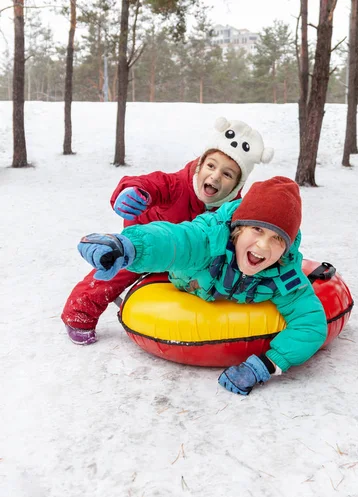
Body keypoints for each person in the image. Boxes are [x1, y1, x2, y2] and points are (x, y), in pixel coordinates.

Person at [77, 177, 328, 397]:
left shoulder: (285, 274)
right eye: (257, 229)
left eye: (277, 239)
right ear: (238, 229)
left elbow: (310, 323)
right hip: (184, 278)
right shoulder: (209, 241)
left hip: (222, 292)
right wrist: (129, 247)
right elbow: (175, 240)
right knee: (134, 267)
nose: (263, 246)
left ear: (286, 248)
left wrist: (265, 365)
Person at [61, 116, 274, 345]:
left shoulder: (231, 211)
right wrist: (134, 192)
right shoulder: (177, 184)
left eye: (227, 174)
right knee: (119, 270)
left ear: (237, 186)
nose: (214, 176)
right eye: (211, 166)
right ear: (200, 165)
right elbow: (150, 184)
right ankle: (78, 313)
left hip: (187, 256)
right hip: (148, 242)